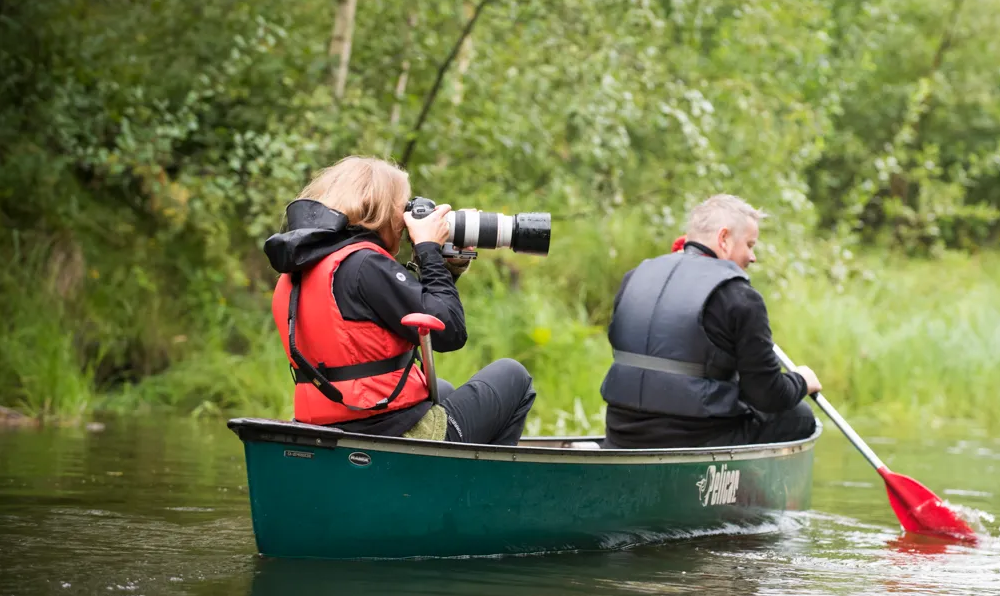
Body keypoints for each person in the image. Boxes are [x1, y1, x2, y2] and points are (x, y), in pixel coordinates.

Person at [262, 156, 535, 445]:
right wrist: (428, 250)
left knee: (442, 389)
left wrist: (446, 267)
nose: (406, 220)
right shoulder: (365, 264)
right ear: (380, 208)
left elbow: (418, 315)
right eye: (403, 206)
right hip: (388, 431)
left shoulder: (302, 270)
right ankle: (480, 484)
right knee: (513, 375)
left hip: (334, 423)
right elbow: (450, 332)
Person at [600, 194, 821, 449]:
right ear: (724, 239)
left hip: (622, 435)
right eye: (750, 244)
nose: (753, 257)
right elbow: (768, 396)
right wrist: (801, 380)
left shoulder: (634, 277)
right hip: (696, 439)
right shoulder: (741, 297)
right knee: (799, 417)